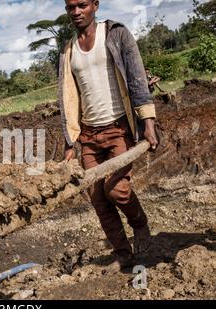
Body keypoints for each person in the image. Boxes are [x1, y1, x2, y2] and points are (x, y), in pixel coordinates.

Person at [59, 0, 159, 270]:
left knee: (116, 189)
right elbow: (67, 98)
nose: (76, 12)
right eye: (70, 7)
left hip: (118, 129)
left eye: (82, 5)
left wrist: (148, 121)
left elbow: (137, 76)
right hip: (89, 137)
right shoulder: (68, 50)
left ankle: (139, 222)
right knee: (99, 200)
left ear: (95, 5)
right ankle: (123, 255)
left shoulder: (116, 34)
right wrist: (70, 142)